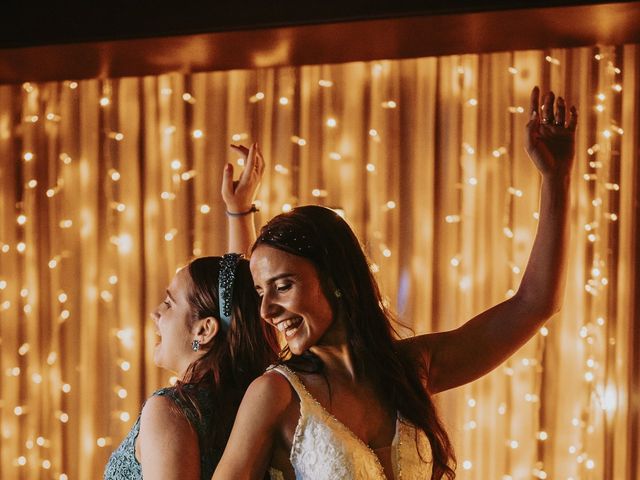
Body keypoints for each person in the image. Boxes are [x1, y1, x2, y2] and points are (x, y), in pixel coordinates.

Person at [212, 87, 577, 480]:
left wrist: (556, 179)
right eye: (260, 293)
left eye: (282, 286)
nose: (267, 311)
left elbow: (535, 303)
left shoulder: (411, 370)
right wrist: (239, 215)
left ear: (335, 278)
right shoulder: (276, 395)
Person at [104, 144, 278, 479]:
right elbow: (235, 300)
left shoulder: (170, 412)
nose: (156, 313)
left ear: (204, 330)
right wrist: (239, 213)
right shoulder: (250, 401)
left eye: (169, 303)